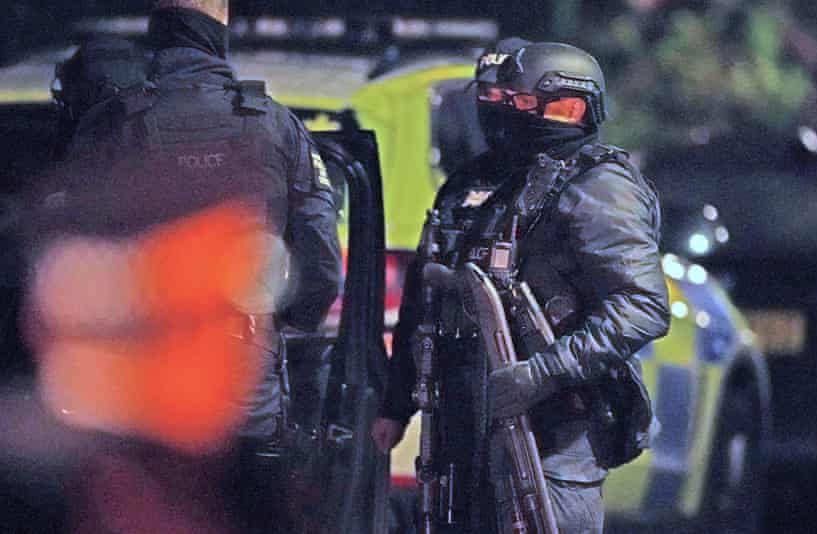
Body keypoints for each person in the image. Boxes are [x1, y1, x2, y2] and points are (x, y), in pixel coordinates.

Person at [32, 1, 341, 532]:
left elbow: (58, 262)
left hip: (137, 405)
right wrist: (279, 328)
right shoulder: (274, 125)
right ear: (221, 29)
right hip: (246, 394)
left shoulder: (113, 123)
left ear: (157, 28)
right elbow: (322, 268)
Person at [372, 38, 670, 534]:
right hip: (460, 433)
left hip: (550, 439)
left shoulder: (598, 186)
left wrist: (540, 374)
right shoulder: (474, 186)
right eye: (499, 100)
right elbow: (429, 297)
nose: (505, 113)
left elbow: (642, 306)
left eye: (524, 103)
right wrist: (396, 404)